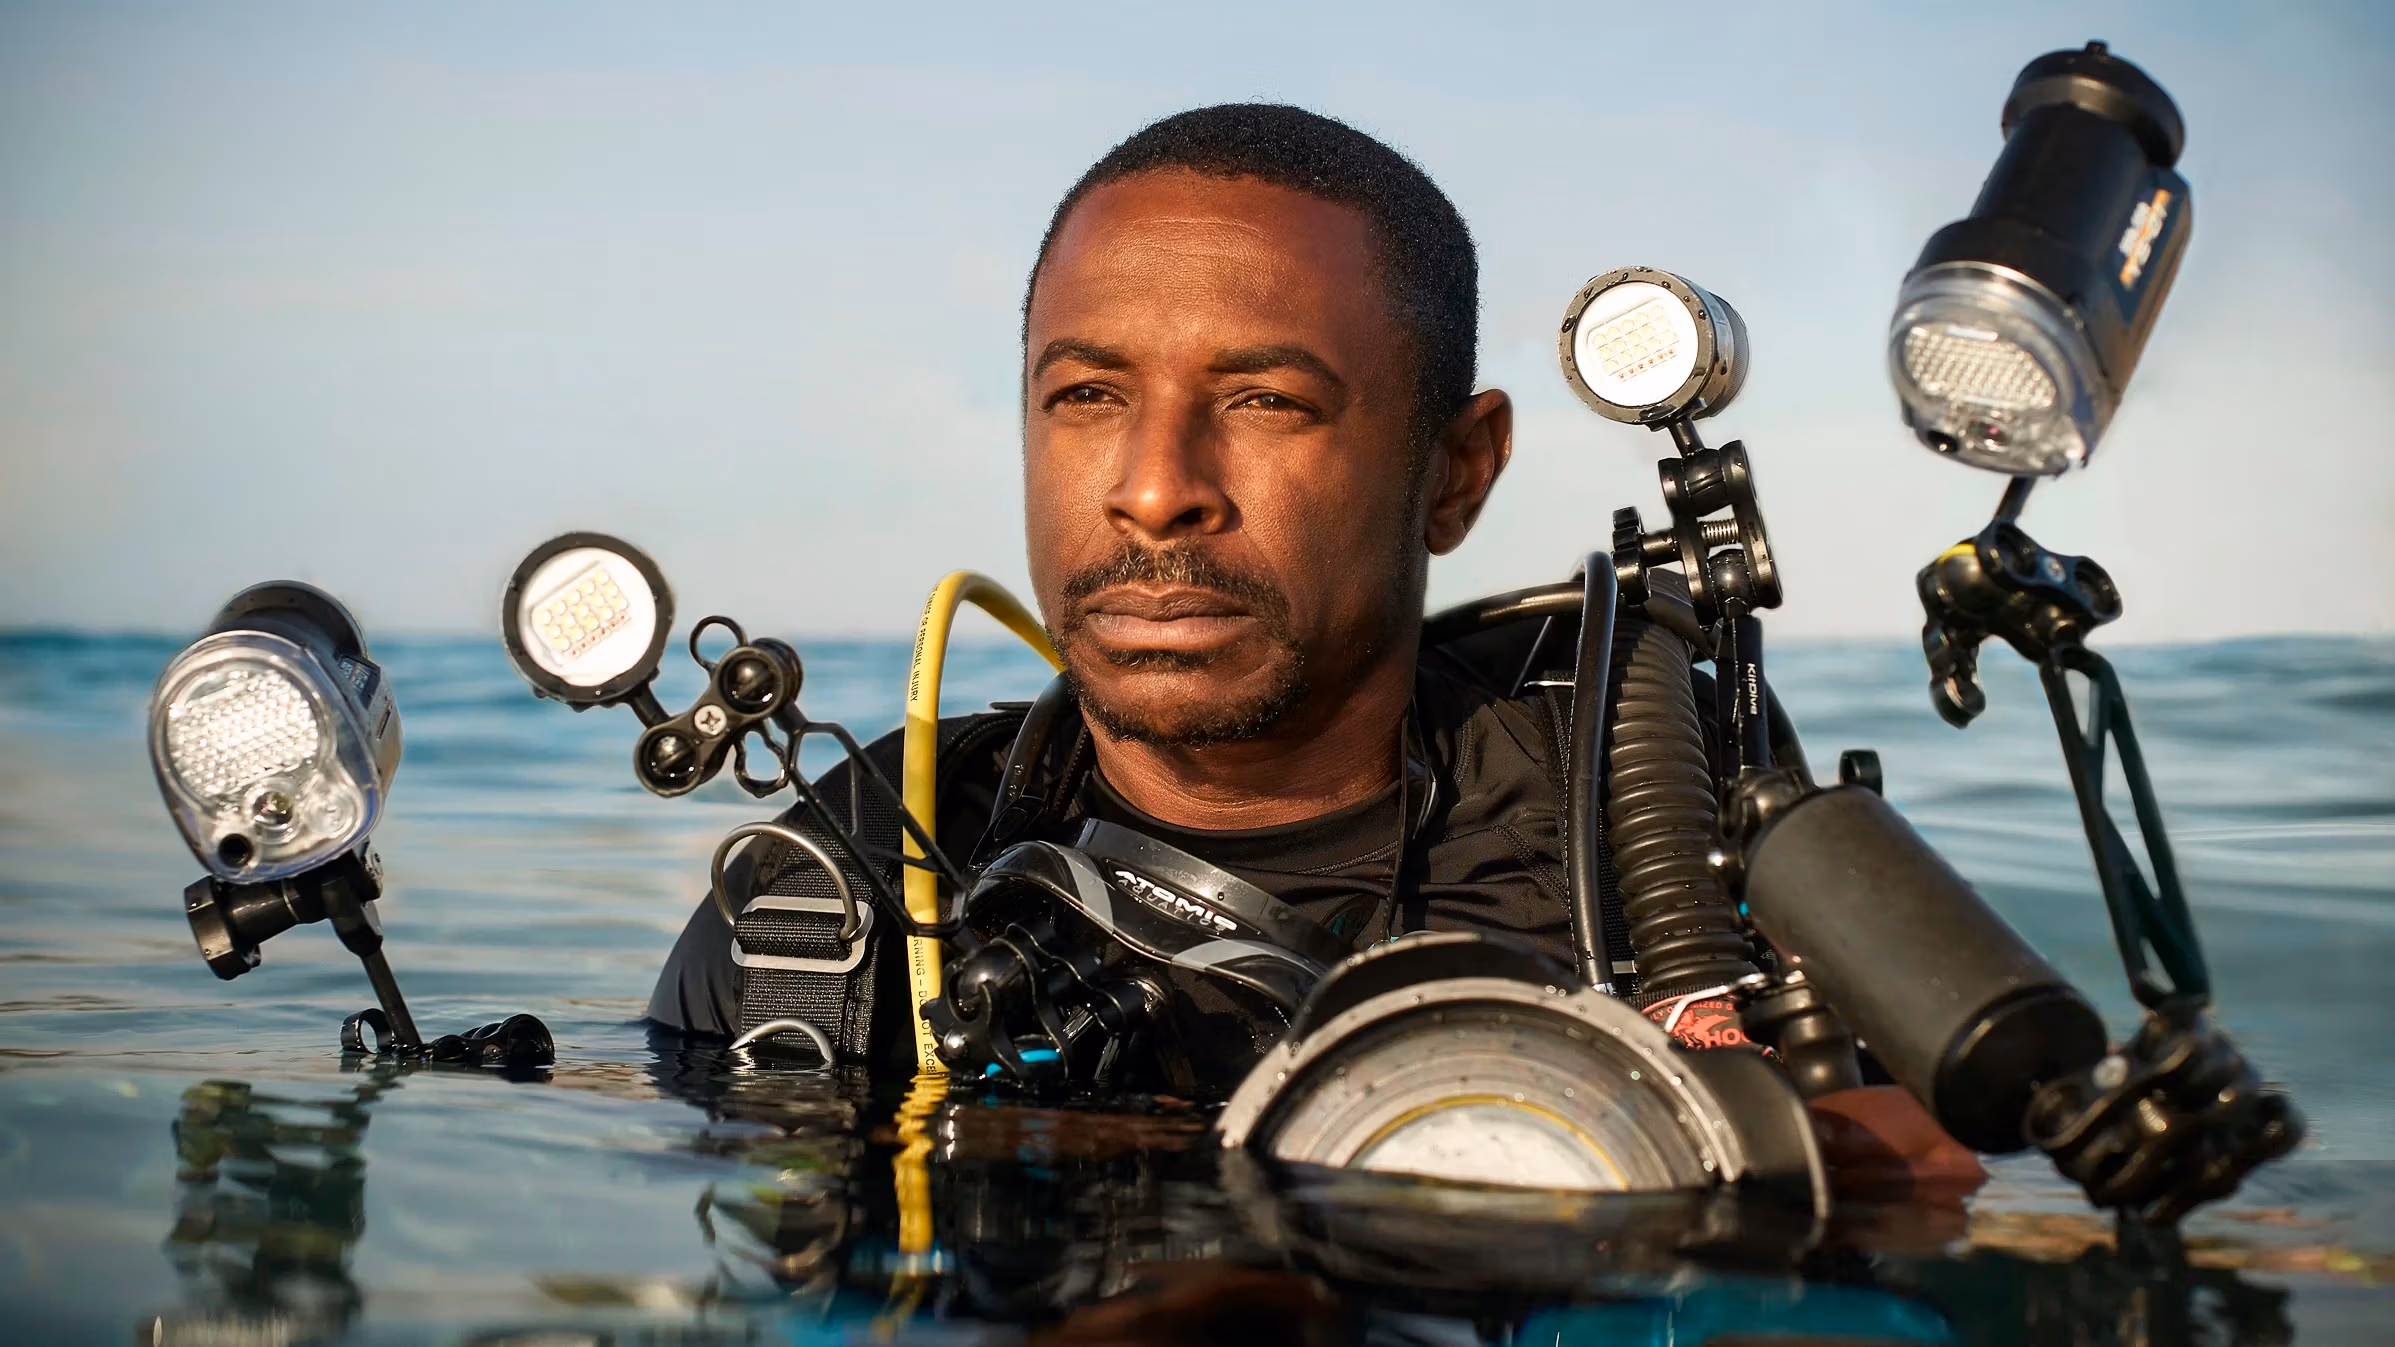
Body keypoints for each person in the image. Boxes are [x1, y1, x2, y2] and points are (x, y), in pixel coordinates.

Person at [647, 103, 1980, 1191]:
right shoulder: (837, 897)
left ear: (1456, 472)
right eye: (1087, 394)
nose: (1154, 488)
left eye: (1265, 401)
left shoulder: (1670, 853)